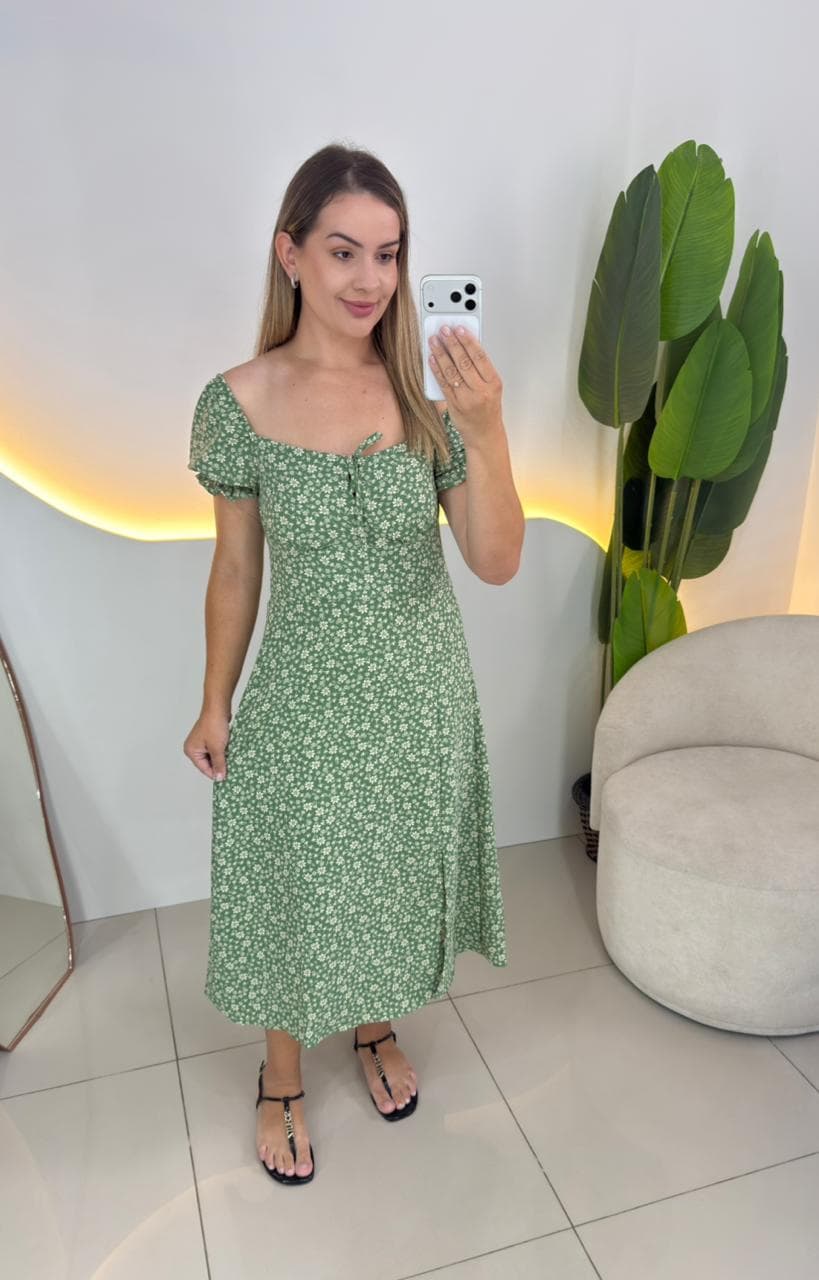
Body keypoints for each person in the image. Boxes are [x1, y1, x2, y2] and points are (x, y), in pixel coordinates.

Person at [182, 143, 525, 1186]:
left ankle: (373, 1023)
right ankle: (283, 1074)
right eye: (343, 251)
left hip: (420, 693)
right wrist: (214, 702)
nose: (370, 278)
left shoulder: (427, 398)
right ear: (289, 254)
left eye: (388, 252)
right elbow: (236, 568)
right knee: (298, 881)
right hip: (304, 694)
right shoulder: (237, 401)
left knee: (388, 872)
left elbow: (496, 561)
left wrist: (487, 429)